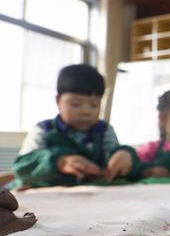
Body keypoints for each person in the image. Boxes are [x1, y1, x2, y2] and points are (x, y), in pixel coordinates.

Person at [12, 64, 144, 188]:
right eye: (76, 104)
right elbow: (22, 167)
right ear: (58, 101)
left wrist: (125, 156)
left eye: (94, 105)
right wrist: (59, 161)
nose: (85, 111)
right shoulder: (44, 130)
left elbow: (116, 157)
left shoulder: (104, 131)